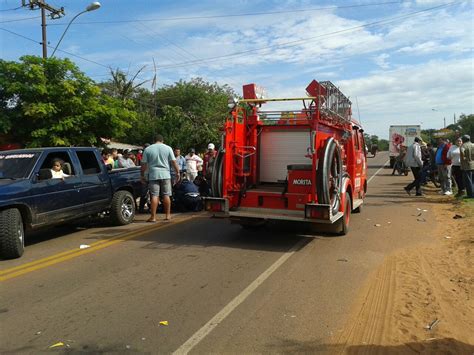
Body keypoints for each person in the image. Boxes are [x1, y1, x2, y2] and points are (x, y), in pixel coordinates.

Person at [141, 134, 180, 222]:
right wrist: (177, 173)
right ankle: (167, 215)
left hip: (153, 175)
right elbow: (174, 162)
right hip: (166, 174)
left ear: (153, 140)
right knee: (166, 195)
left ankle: (153, 217)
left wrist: (142, 175)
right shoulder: (168, 148)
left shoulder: (148, 149)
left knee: (154, 195)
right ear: (162, 140)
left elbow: (143, 164)